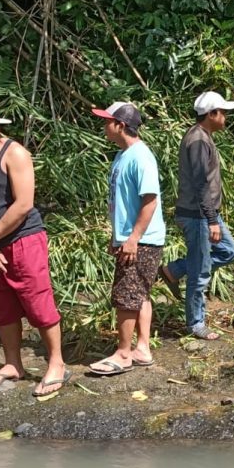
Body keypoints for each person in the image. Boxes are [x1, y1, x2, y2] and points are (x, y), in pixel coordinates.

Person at [0, 97, 67, 396]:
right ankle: (12, 363)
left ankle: (56, 363)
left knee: (37, 300)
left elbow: (23, 204)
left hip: (23, 240)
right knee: (2, 305)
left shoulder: (14, 153)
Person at [88, 102, 164, 375]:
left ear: (120, 125)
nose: (103, 126)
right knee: (140, 292)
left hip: (142, 239)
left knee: (126, 295)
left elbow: (150, 200)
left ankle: (123, 354)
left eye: (107, 121)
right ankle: (141, 348)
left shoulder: (141, 156)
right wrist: (118, 236)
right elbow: (123, 203)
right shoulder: (123, 155)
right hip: (132, 237)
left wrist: (133, 238)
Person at [159, 91, 234, 341]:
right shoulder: (197, 140)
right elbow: (200, 184)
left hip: (205, 214)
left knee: (229, 251)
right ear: (211, 114)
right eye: (223, 112)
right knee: (201, 270)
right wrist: (211, 220)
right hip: (198, 216)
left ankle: (174, 269)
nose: (225, 117)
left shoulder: (203, 137)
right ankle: (195, 323)